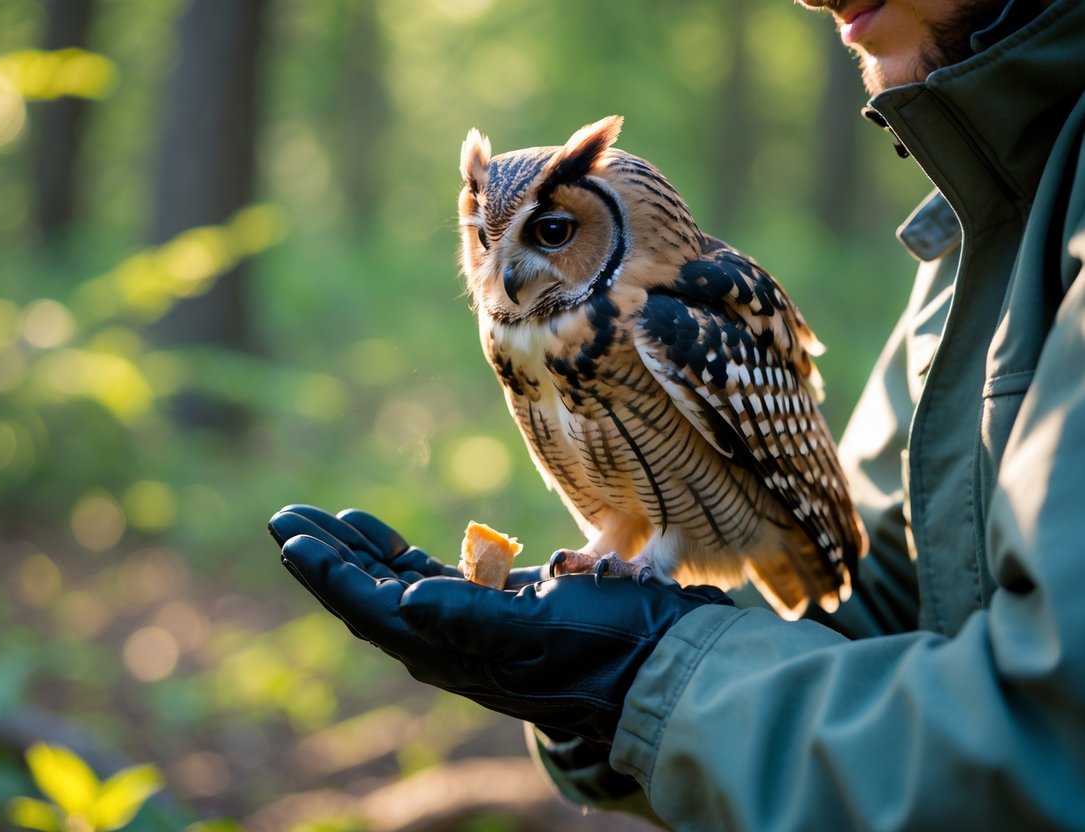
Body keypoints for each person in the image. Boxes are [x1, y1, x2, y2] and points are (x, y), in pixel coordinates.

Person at [269, 0, 1085, 827]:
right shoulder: (992, 214)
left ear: (609, 223)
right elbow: (887, 610)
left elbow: (1039, 734)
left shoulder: (679, 315)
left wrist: (648, 666)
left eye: (551, 233)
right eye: (488, 243)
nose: (511, 275)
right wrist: (585, 689)